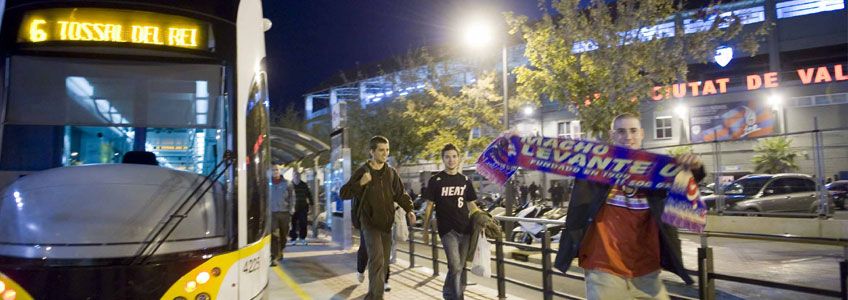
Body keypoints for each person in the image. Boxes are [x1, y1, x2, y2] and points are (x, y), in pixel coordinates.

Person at [553, 113, 705, 300]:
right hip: (604, 268)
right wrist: (514, 144)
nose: (628, 136)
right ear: (612, 135)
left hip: (647, 270)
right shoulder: (594, 167)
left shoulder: (656, 170)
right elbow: (548, 154)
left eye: (633, 130)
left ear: (642, 133)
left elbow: (689, 183)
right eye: (621, 131)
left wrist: (695, 167)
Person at [340, 136, 415, 300]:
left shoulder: (391, 173)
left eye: (387, 150)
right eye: (381, 150)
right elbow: (343, 192)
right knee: (377, 260)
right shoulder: (363, 171)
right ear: (372, 151)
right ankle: (376, 297)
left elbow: (400, 194)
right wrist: (361, 183)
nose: (385, 153)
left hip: (387, 224)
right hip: (369, 223)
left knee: (383, 262)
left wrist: (409, 209)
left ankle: (373, 295)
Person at [422, 143, 479, 300]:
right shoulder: (435, 180)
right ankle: (457, 297)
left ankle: (448, 293)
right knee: (454, 266)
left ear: (459, 159)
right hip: (448, 230)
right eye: (447, 157)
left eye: (454, 156)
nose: (451, 160)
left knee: (459, 268)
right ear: (443, 159)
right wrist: (425, 231)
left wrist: (482, 217)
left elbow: (471, 203)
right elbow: (429, 206)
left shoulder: (465, 180)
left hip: (465, 230)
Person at [269, 165, 294, 265]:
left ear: (280, 171)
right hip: (272, 213)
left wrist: (291, 210)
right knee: (274, 235)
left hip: (284, 213)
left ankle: (280, 250)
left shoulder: (287, 183)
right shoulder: (268, 183)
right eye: (273, 170)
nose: (275, 172)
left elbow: (292, 197)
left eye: (277, 170)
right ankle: (274, 256)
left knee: (284, 235)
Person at [290, 171, 313, 246]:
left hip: (303, 207)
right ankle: (293, 238)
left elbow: (309, 195)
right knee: (293, 223)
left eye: (297, 175)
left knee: (303, 223)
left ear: (299, 176)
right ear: (293, 176)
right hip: (293, 207)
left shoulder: (304, 185)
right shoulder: (290, 185)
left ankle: (302, 238)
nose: (296, 176)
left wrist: (312, 205)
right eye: (295, 175)